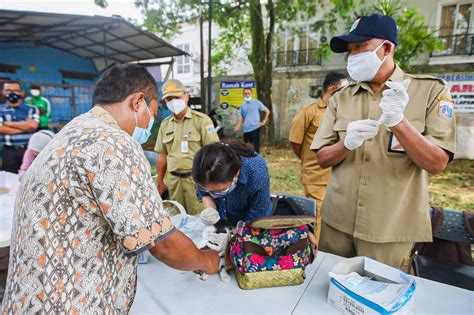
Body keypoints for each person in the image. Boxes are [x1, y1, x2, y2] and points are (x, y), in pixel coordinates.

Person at [2, 65, 219, 313]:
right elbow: (164, 244)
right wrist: (208, 261)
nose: (150, 124)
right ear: (138, 102)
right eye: (153, 113)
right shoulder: (113, 142)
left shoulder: (71, 132)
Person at [311, 14, 456, 269]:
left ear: (387, 48)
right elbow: (322, 158)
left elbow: (437, 162)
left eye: (360, 47)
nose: (352, 56)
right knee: (328, 291)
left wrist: (399, 122)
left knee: (379, 300)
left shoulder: (430, 92)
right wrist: (345, 144)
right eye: (350, 51)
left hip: (390, 229)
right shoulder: (341, 98)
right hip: (337, 223)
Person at [289, 72, 348, 244]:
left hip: (341, 176)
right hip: (317, 176)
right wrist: (310, 161)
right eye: (344, 89)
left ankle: (330, 249)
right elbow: (295, 142)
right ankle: (316, 254)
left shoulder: (343, 112)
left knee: (337, 218)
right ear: (332, 89)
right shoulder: (309, 112)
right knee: (319, 218)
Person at [155, 79, 219, 215]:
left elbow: (213, 153)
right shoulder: (165, 125)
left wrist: (209, 181)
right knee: (176, 218)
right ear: (165, 102)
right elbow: (162, 155)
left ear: (186, 97)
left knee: (199, 218)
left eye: (176, 97)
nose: (173, 102)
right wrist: (160, 180)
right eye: (169, 99)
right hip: (173, 182)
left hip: (195, 181)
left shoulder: (201, 120)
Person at [192, 139, 272, 227]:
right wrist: (210, 209)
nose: (213, 193)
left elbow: (258, 214)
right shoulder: (202, 169)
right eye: (208, 189)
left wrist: (236, 235)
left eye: (219, 190)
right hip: (224, 219)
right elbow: (203, 192)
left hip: (251, 221)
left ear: (236, 173)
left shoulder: (257, 171)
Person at [0, 81, 40, 173]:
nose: (12, 93)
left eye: (16, 90)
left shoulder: (32, 109)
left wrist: (7, 123)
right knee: (10, 177)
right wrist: (25, 127)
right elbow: (0, 129)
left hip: (29, 150)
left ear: (22, 93)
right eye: (8, 90)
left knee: (30, 176)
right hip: (9, 150)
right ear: (3, 92)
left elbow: (33, 125)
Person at [234, 88, 270, 153]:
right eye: (245, 93)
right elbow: (243, 116)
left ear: (251, 94)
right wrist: (239, 125)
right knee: (246, 147)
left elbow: (267, 111)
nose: (247, 95)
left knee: (255, 148)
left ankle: (257, 161)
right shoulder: (243, 105)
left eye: (249, 93)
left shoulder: (256, 102)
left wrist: (263, 122)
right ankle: (248, 161)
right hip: (246, 129)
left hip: (255, 128)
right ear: (243, 95)